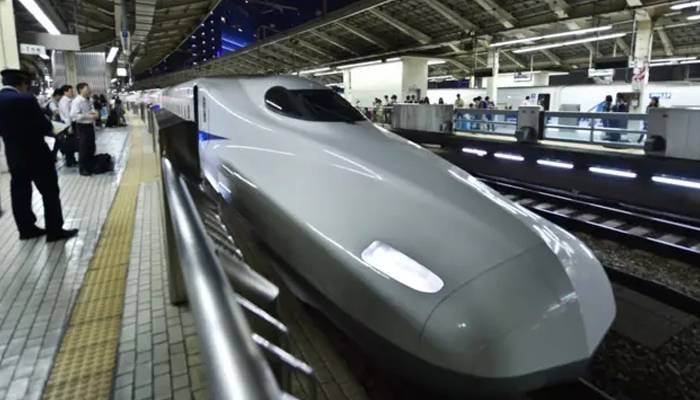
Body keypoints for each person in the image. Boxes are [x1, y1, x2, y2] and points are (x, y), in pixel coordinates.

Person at [0, 69, 78, 241]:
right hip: (37, 155)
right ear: (22, 84)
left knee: (20, 193)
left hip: (14, 156)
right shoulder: (26, 99)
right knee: (50, 191)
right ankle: (54, 231)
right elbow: (44, 126)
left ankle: (26, 230)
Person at [71, 82, 99, 175]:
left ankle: (90, 166)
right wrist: (90, 116)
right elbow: (74, 116)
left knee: (91, 147)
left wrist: (95, 113)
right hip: (82, 127)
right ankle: (82, 169)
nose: (89, 90)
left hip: (89, 126)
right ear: (80, 90)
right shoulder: (77, 101)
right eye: (87, 89)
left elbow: (91, 109)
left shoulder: (88, 100)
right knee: (84, 148)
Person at [57, 85, 78, 167]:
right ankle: (69, 161)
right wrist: (70, 127)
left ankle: (72, 160)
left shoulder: (69, 100)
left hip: (70, 124)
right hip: (67, 125)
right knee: (69, 143)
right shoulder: (64, 101)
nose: (72, 93)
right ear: (65, 92)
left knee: (71, 143)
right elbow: (67, 115)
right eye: (70, 91)